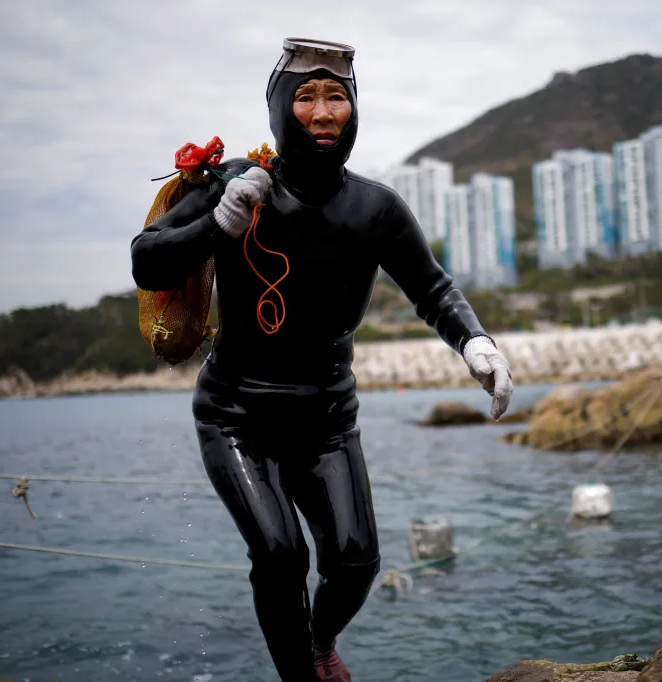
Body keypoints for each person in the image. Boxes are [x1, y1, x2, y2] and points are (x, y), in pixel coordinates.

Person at [130, 37, 513, 682]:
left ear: (355, 110)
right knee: (280, 555)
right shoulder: (236, 187)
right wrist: (218, 224)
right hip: (236, 414)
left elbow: (432, 286)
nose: (323, 111)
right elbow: (147, 258)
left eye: (337, 96)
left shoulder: (376, 208)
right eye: (305, 96)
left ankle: (316, 642)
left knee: (357, 560)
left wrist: (476, 342)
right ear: (279, 107)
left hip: (327, 418)